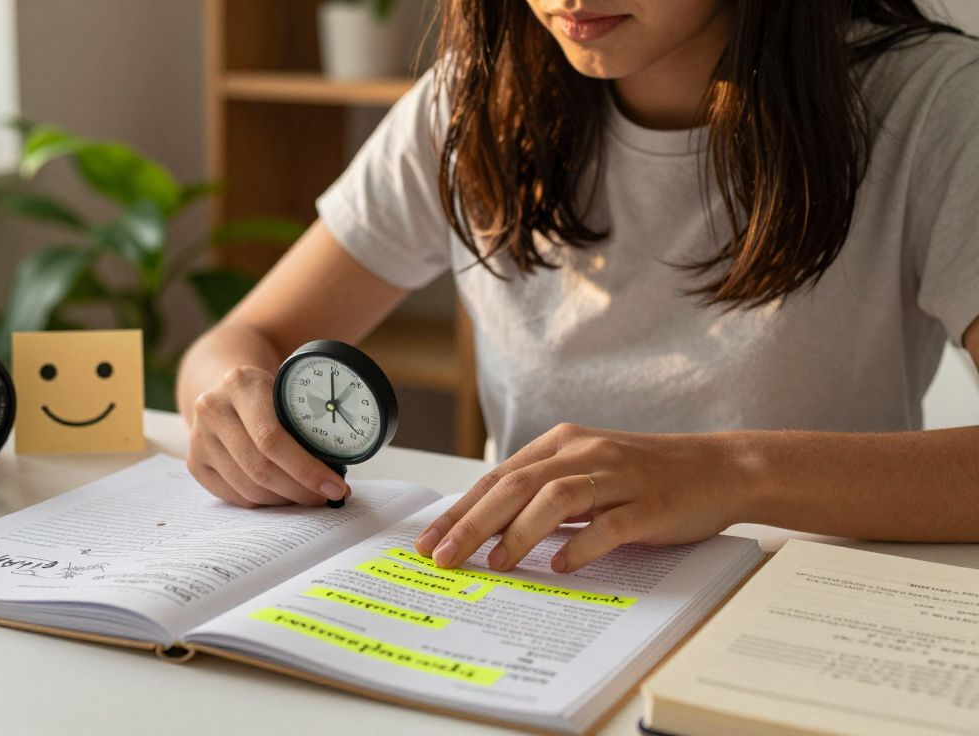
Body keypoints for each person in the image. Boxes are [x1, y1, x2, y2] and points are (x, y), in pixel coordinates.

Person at [177, 1, 979, 575]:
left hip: (805, 618)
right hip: (525, 603)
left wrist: (734, 472)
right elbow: (242, 343)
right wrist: (233, 411)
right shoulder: (472, 102)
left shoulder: (937, 105)